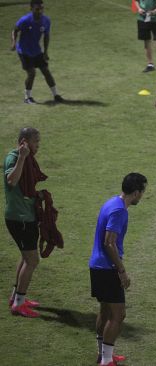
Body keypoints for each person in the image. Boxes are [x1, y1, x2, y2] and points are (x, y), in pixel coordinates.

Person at [89, 173, 147, 366]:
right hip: (107, 268)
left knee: (105, 310)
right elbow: (109, 243)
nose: (142, 196)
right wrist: (122, 271)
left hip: (97, 265)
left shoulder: (112, 202)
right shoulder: (119, 211)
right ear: (137, 192)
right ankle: (106, 361)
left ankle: (102, 354)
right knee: (118, 314)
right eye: (142, 192)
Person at [5, 127, 46, 318]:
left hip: (25, 216)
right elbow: (12, 181)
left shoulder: (27, 158)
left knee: (25, 257)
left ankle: (16, 297)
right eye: (35, 141)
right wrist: (21, 157)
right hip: (19, 219)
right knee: (32, 260)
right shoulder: (14, 157)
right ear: (24, 141)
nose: (38, 145)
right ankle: (19, 304)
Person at [11, 0, 63, 104]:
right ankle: (27, 97)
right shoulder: (25, 20)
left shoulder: (46, 20)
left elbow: (46, 36)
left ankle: (56, 95)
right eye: (37, 9)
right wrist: (13, 43)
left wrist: (45, 52)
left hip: (36, 51)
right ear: (31, 9)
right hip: (24, 51)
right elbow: (15, 30)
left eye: (42, 8)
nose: (40, 11)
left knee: (46, 71)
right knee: (32, 73)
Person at [135, 0, 156, 72]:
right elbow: (136, 1)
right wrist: (139, 9)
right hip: (142, 19)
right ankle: (150, 64)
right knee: (146, 41)